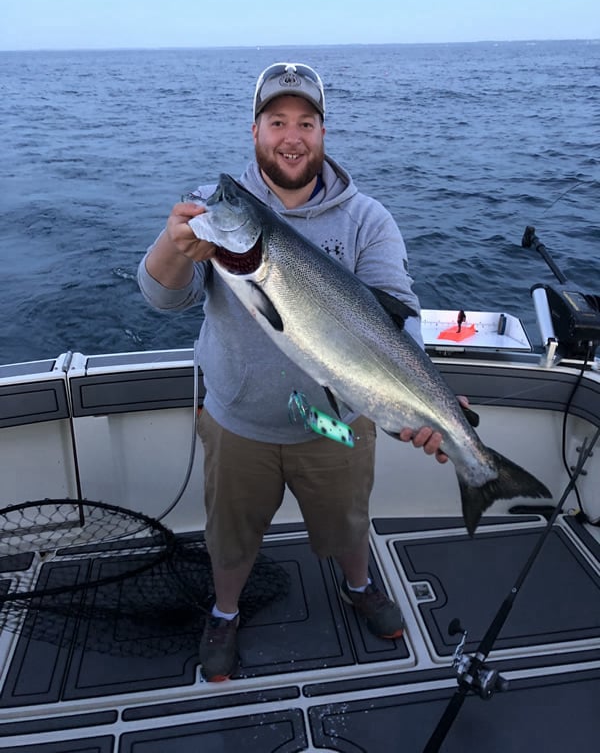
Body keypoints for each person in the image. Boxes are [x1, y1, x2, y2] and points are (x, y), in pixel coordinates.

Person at [137, 62, 449, 682]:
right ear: (254, 131)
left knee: (349, 524)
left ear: (322, 133)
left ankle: (358, 586)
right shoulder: (216, 209)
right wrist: (174, 244)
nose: (291, 136)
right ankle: (225, 612)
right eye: (276, 121)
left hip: (339, 422)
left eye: (306, 122)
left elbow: (399, 315)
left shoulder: (367, 219)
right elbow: (163, 297)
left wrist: (430, 397)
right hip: (238, 420)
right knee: (230, 537)